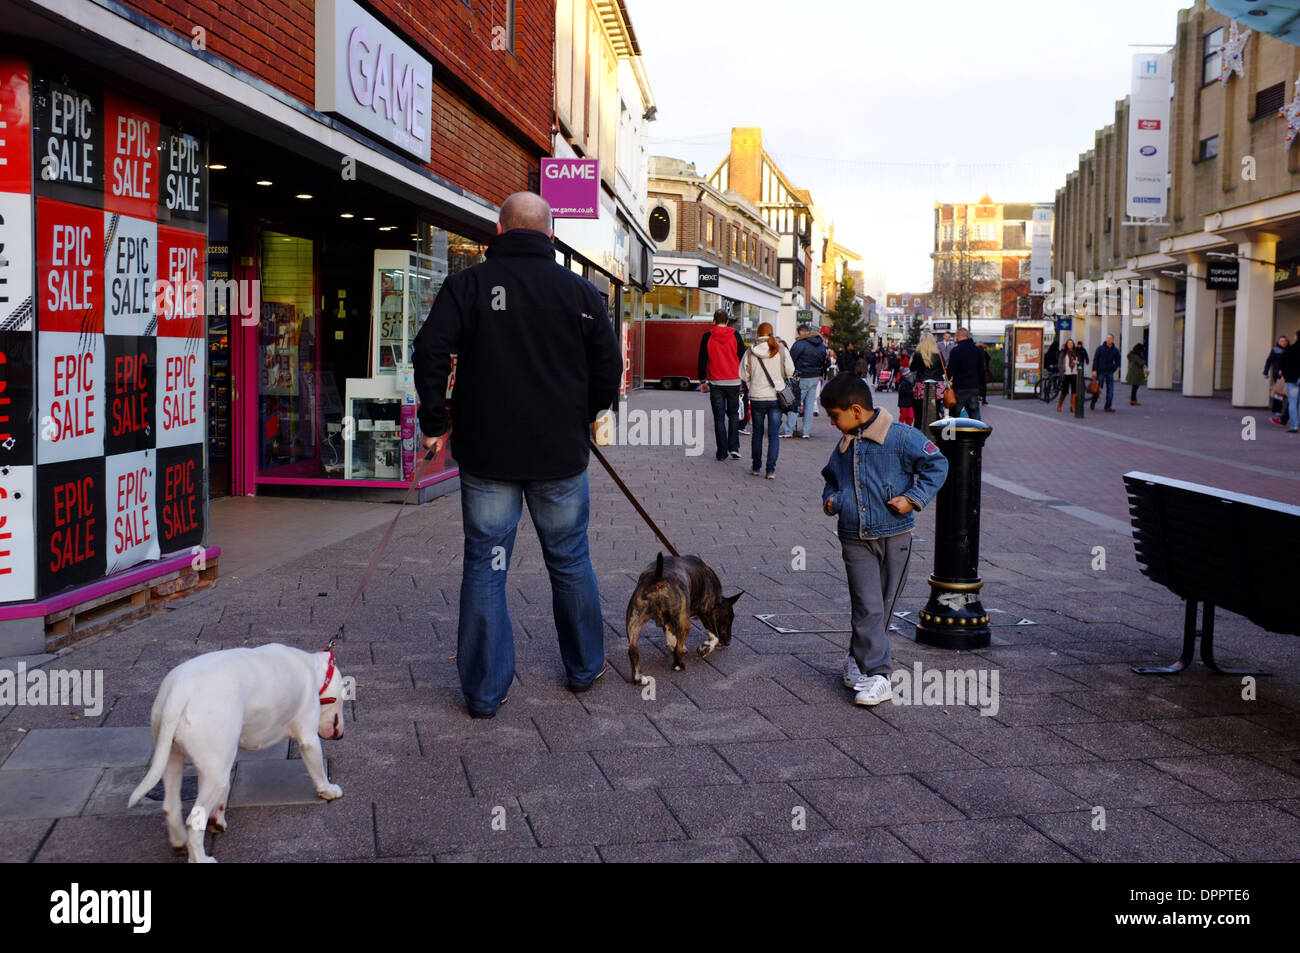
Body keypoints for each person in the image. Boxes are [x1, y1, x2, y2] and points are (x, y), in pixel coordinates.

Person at [413, 192, 621, 718]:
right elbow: (607, 368)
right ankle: (584, 667)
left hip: (488, 454)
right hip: (559, 454)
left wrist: (435, 421)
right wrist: (590, 414)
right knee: (570, 560)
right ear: (551, 235)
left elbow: (430, 349)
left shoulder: (468, 285)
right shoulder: (582, 292)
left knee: (486, 564)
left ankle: (484, 693)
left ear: (499, 230)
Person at [818, 375, 949, 707]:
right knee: (868, 606)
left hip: (895, 536)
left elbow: (937, 463)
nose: (832, 423)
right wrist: (833, 500)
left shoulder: (902, 437)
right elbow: (831, 477)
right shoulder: (846, 440)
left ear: (857, 411)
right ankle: (879, 675)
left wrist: (914, 498)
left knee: (881, 606)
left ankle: (856, 657)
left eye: (835, 416)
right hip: (854, 536)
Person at [740, 322, 796, 478]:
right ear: (771, 332)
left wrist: (752, 382)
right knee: (773, 435)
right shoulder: (781, 349)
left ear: (758, 333)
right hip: (776, 397)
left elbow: (744, 375)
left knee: (757, 433)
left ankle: (756, 467)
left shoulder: (750, 351)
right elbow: (790, 371)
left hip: (757, 397)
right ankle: (770, 470)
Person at [698, 309, 747, 461]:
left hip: (716, 382)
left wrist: (702, 380)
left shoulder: (707, 336)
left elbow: (702, 360)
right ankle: (734, 447)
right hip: (734, 381)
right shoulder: (736, 335)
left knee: (718, 418)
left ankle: (721, 452)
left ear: (714, 320)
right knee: (733, 415)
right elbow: (743, 356)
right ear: (727, 321)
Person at [783, 324, 827, 438]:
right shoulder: (821, 344)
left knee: (795, 404)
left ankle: (789, 430)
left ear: (800, 332)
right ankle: (806, 431)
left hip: (802, 377)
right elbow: (824, 361)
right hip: (814, 377)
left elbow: (791, 360)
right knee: (809, 405)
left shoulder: (799, 344)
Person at [946, 327, 983, 420]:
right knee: (974, 413)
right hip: (973, 386)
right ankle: (977, 432)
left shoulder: (955, 351)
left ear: (958, 336)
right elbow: (981, 370)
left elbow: (950, 370)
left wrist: (948, 379)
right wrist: (981, 387)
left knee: (955, 414)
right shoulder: (977, 350)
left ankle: (955, 433)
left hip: (960, 387)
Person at [910, 333, 946, 427]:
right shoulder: (939, 354)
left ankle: (917, 437)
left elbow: (912, 368)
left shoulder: (917, 354)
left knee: (919, 415)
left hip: (921, 386)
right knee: (935, 413)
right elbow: (943, 370)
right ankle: (935, 436)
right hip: (937, 387)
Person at [1092, 333, 1122, 413]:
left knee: (1110, 390)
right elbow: (1095, 359)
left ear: (1113, 340)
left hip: (1109, 372)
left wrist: (1114, 368)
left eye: (1110, 338)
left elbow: (1118, 361)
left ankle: (1108, 406)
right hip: (1100, 371)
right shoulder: (1100, 348)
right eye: (1107, 338)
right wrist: (1094, 370)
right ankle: (1093, 401)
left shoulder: (1115, 350)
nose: (1108, 340)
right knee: (1097, 389)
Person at [1265, 335, 1290, 426]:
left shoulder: (1289, 350)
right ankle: (1277, 409)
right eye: (1282, 341)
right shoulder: (1275, 350)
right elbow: (1269, 361)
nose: (1284, 342)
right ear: (1278, 342)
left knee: (1284, 393)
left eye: (1285, 341)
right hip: (1278, 374)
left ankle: (1280, 410)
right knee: (1279, 392)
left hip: (1286, 374)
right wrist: (1265, 371)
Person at [1282, 331, 1300, 433]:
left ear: (1297, 337)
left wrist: (1285, 375)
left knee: (1292, 403)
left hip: (1292, 378)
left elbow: (1283, 363)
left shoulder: (1290, 349)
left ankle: (1294, 426)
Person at [1057, 339, 1081, 412]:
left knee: (1074, 390)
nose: (1070, 344)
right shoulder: (1064, 353)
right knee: (1064, 391)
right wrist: (1062, 373)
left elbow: (1080, 362)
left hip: (1074, 373)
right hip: (1066, 374)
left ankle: (1072, 406)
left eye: (1071, 343)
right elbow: (1060, 364)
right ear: (1066, 345)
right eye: (1068, 343)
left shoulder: (1076, 352)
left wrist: (1078, 362)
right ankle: (1059, 405)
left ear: (1073, 344)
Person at [1126, 342, 1147, 407]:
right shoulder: (1136, 356)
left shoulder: (1132, 355)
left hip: (1133, 373)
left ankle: (1133, 399)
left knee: (1134, 387)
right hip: (1136, 374)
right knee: (1135, 388)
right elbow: (1141, 363)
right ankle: (1133, 400)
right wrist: (1143, 360)